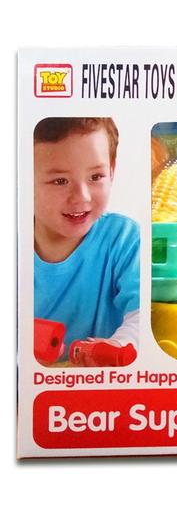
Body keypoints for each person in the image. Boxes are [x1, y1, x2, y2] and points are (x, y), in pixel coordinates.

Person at [33, 117, 139, 358]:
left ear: (112, 170)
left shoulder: (124, 239)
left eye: (96, 177)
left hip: (104, 378)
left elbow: (143, 315)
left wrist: (118, 346)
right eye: (60, 181)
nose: (82, 197)